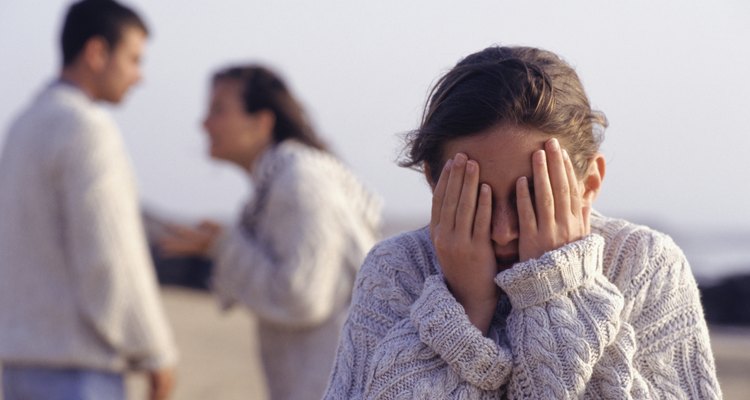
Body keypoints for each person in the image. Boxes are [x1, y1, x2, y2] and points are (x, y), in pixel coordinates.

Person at [323, 45, 723, 399]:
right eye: (476, 196)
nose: (503, 231)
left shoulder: (644, 264)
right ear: (433, 178)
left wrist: (559, 292)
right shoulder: (398, 270)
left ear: (590, 182)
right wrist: (463, 307)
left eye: (529, 197)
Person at [158, 64, 382, 400]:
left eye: (218, 110)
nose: (204, 124)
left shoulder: (299, 180)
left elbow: (303, 297)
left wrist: (225, 247)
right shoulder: (281, 180)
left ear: (261, 122)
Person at [0, 1, 177, 399]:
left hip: (17, 365)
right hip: (78, 372)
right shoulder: (87, 128)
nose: (139, 76)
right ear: (97, 53)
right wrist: (155, 351)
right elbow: (110, 256)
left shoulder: (21, 126)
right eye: (134, 59)